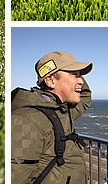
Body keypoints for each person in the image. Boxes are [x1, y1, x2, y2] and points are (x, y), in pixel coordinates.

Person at [11, 51, 93, 184]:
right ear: (50, 80)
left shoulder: (61, 111)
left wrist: (76, 71)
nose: (81, 81)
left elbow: (84, 98)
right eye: (74, 75)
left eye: (80, 75)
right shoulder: (27, 121)